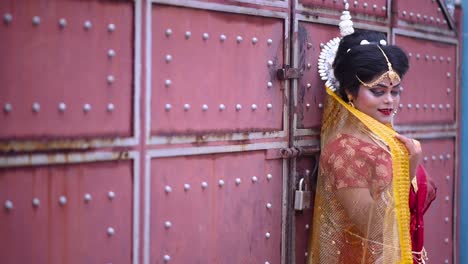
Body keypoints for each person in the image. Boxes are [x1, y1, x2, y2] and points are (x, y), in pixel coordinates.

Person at [308, 6, 437, 264]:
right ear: (350, 93)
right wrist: (408, 169)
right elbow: (376, 229)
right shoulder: (343, 152)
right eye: (377, 91)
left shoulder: (387, 138)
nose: (389, 100)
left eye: (395, 91)